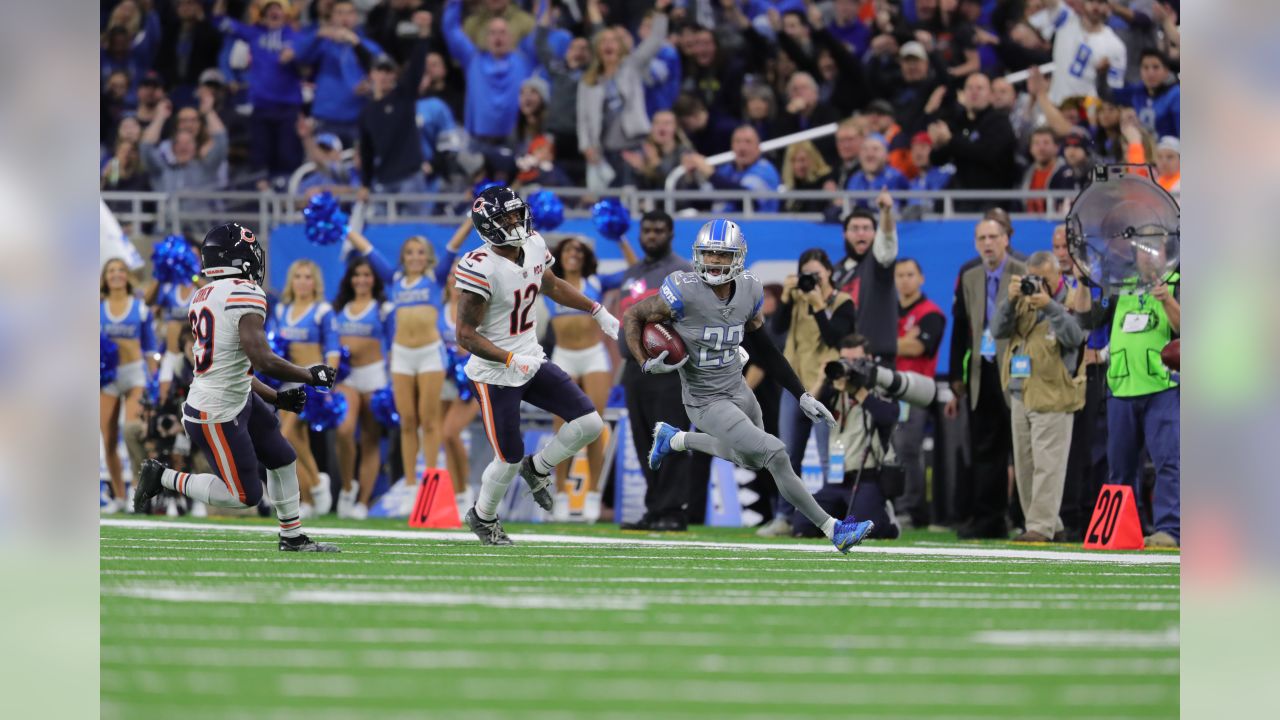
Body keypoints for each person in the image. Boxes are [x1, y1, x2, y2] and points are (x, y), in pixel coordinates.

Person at [627, 219, 875, 553]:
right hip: (705, 399)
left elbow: (765, 348)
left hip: (739, 388)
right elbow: (633, 316)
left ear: (738, 257)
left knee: (751, 461)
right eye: (709, 253)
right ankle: (834, 528)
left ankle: (677, 440)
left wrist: (800, 393)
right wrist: (644, 360)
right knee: (775, 453)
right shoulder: (681, 291)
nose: (714, 261)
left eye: (722, 254)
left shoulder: (749, 289)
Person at [131, 223, 341, 552]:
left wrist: (276, 397)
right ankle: (162, 477)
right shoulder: (243, 293)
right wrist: (310, 375)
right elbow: (263, 359)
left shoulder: (203, 294)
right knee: (245, 496)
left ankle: (292, 536)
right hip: (216, 409)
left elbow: (233, 364)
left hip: (235, 395)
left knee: (282, 457)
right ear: (240, 257)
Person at [453, 186, 618, 546]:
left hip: (530, 357)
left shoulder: (533, 245)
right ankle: (483, 517)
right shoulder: (479, 267)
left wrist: (596, 309)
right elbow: (465, 335)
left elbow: (552, 285)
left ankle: (539, 466)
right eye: (505, 218)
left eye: (516, 213)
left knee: (590, 423)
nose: (515, 221)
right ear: (487, 226)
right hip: (495, 373)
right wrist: (511, 359)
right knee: (508, 457)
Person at [351, 223, 467, 514]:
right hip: (402, 355)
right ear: (403, 257)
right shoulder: (393, 279)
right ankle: (411, 488)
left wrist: (469, 218)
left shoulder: (436, 278)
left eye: (420, 252)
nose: (415, 257)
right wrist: (342, 225)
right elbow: (367, 249)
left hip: (430, 355)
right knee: (406, 422)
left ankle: (429, 486)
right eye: (410, 252)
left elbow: (453, 246)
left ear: (427, 256)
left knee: (429, 422)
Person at [615, 211, 711, 531]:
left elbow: (697, 321)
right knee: (645, 441)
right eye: (647, 230)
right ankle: (655, 508)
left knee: (669, 440)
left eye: (658, 230)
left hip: (671, 371)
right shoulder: (631, 273)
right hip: (635, 368)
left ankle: (672, 511)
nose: (651, 236)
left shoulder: (684, 272)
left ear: (670, 234)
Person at [758, 248, 857, 537]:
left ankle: (833, 517)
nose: (812, 280)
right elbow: (776, 330)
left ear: (829, 273)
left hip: (828, 387)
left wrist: (817, 305)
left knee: (830, 457)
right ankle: (783, 516)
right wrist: (788, 298)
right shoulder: (796, 298)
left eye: (817, 274)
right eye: (807, 275)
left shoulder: (842, 301)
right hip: (795, 386)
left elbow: (836, 338)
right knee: (787, 455)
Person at [992, 251, 1087, 542]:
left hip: (1053, 392)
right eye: (1034, 279)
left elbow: (1074, 337)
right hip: (1021, 391)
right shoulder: (1022, 299)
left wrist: (1050, 307)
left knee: (1048, 465)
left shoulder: (1073, 299)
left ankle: (1039, 527)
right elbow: (997, 330)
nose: (1039, 285)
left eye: (1044, 279)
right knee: (1025, 465)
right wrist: (1009, 300)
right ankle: (1051, 524)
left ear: (1058, 275)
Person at [1092, 236, 1180, 547]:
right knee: (1121, 466)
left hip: (1162, 386)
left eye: (1155, 247)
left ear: (1166, 251)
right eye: (1142, 249)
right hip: (1121, 385)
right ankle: (1123, 528)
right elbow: (1090, 318)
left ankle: (1170, 529)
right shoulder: (1118, 285)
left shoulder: (1178, 280)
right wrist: (1084, 283)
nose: (1149, 255)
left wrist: (1167, 299)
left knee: (1169, 460)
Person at [544, 236, 636, 522]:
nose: (574, 253)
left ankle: (592, 495)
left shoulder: (597, 281)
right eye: (569, 248)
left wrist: (620, 238)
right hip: (564, 357)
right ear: (560, 253)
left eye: (579, 250)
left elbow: (635, 270)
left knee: (595, 426)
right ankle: (561, 494)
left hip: (593, 356)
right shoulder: (549, 280)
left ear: (585, 256)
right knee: (563, 428)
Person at [945, 218, 1027, 539]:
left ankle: (1025, 518)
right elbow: (962, 328)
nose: (988, 243)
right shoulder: (970, 275)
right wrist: (956, 376)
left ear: (1006, 239)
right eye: (982, 238)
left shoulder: (1022, 270)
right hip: (982, 371)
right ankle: (988, 519)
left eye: (994, 236)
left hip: (1017, 369)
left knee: (1022, 449)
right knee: (985, 451)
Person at [267, 260, 341, 517]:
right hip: (288, 382)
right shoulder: (282, 310)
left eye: (308, 277)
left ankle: (315, 487)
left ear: (315, 282)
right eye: (297, 276)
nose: (302, 281)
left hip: (311, 382)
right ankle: (310, 494)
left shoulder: (322, 311)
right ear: (291, 281)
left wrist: (326, 383)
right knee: (298, 442)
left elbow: (333, 349)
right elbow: (273, 348)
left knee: (285, 438)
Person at [212, 0, 307, 188]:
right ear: (262, 15)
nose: (273, 12)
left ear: (285, 15)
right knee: (260, 158)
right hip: (261, 106)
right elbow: (219, 21)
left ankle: (288, 196)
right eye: (269, 10)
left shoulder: (296, 37)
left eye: (277, 9)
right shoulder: (254, 33)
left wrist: (296, 56)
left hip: (288, 107)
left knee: (287, 156)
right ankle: (262, 200)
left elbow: (308, 66)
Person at [577, 0, 672, 185]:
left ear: (621, 47)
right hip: (603, 151)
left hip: (634, 146)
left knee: (631, 196)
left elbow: (654, 41)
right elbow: (583, 117)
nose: (608, 45)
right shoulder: (589, 80)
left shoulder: (632, 67)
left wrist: (660, 12)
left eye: (613, 41)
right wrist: (586, 146)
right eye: (604, 41)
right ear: (598, 49)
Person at [819, 334, 903, 539]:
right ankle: (841, 516)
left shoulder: (880, 386)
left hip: (867, 476)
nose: (850, 366)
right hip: (837, 478)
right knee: (802, 526)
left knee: (868, 530)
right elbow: (807, 411)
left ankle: (890, 523)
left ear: (870, 359)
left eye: (856, 361)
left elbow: (889, 416)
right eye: (844, 361)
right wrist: (824, 378)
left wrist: (859, 391)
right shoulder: (835, 390)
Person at [329, 255, 394, 519]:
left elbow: (393, 344)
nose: (362, 280)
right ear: (350, 279)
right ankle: (347, 486)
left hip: (375, 376)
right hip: (347, 378)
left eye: (367, 275)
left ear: (374, 279)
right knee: (344, 430)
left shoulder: (383, 308)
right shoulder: (339, 307)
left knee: (370, 439)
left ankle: (362, 503)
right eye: (357, 275)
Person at [101, 259, 160, 513]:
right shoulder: (95, 307)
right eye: (112, 271)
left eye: (121, 270)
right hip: (106, 378)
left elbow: (150, 347)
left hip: (135, 374)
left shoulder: (140, 307)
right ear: (105, 277)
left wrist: (155, 378)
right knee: (109, 438)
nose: (117, 275)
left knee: (132, 429)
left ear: (127, 276)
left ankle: (139, 490)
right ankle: (120, 497)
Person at [357, 18, 433, 216]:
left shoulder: (403, 96)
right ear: (371, 74)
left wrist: (423, 37)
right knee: (383, 235)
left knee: (414, 232)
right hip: (383, 181)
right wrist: (365, 184)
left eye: (388, 71)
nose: (383, 75)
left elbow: (416, 69)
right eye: (379, 70)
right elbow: (366, 152)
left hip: (410, 178)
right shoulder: (367, 111)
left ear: (394, 75)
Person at [892, 258, 946, 528]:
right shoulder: (889, 310)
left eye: (910, 274)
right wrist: (904, 340)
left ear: (921, 278)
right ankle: (896, 506)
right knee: (890, 450)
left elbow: (919, 349)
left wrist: (887, 342)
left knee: (908, 449)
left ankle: (912, 511)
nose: (905, 280)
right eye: (900, 275)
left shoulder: (930, 312)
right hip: (889, 387)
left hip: (915, 390)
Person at [442, 0, 536, 145]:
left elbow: (541, 31)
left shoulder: (524, 60)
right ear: (486, 39)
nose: (498, 37)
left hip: (515, 139)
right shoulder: (472, 59)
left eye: (503, 32)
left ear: (511, 38)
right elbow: (451, 29)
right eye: (492, 33)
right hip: (479, 140)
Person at [295, 0, 386, 147]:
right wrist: (317, 35)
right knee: (326, 168)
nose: (345, 18)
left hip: (358, 118)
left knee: (357, 166)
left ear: (356, 17)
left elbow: (383, 72)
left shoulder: (369, 46)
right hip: (326, 118)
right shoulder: (323, 44)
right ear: (331, 17)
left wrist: (369, 85)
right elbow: (298, 57)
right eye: (339, 13)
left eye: (349, 13)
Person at [927, 72, 1018, 207]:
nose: (974, 92)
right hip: (963, 196)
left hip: (993, 197)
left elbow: (987, 154)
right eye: (969, 88)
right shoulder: (959, 121)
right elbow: (936, 160)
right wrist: (938, 144)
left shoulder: (999, 121)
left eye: (980, 88)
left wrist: (951, 140)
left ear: (991, 95)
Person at [831, 191, 900, 363]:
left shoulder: (879, 264)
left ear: (875, 234)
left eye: (867, 228)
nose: (861, 233)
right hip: (843, 359)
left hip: (877, 359)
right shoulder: (836, 271)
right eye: (854, 229)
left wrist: (885, 213)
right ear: (844, 234)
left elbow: (887, 244)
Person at [682, 125, 781, 214]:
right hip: (722, 229)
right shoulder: (726, 170)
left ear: (758, 147)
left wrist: (711, 174)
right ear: (732, 146)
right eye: (737, 142)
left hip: (756, 230)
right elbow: (701, 202)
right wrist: (691, 177)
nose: (742, 147)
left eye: (748, 142)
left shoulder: (765, 170)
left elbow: (748, 200)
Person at [1047, 0, 1126, 106]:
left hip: (1085, 113)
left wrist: (1103, 76)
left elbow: (1113, 93)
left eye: (1101, 2)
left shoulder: (1115, 46)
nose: (1095, 7)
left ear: (1109, 7)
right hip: (1055, 103)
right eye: (1091, 1)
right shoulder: (1065, 20)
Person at [1100, 48, 1179, 138]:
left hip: (1170, 150)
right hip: (1143, 148)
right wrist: (1102, 74)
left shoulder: (1176, 95)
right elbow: (1107, 94)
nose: (1150, 73)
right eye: (1145, 68)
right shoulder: (1137, 91)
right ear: (1140, 71)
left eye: (1156, 67)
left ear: (1166, 71)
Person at [620, 109, 692, 191]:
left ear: (675, 127)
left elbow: (678, 188)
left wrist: (656, 164)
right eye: (657, 123)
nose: (661, 127)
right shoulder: (641, 152)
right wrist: (641, 171)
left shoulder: (684, 153)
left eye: (667, 123)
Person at [1020, 127, 1077, 213]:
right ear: (1030, 149)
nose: (1041, 148)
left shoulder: (1066, 174)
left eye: (1046, 143)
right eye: (1036, 143)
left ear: (1057, 147)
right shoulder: (1025, 173)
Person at [845, 132, 909, 201]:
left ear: (887, 155)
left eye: (875, 149)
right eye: (865, 149)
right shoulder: (855, 179)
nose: (870, 154)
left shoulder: (897, 178)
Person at [780, 141, 835, 214]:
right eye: (794, 160)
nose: (798, 165)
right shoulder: (789, 186)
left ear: (812, 159)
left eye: (802, 160)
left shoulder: (825, 181)